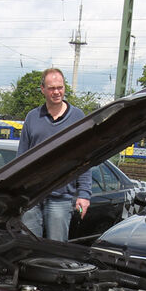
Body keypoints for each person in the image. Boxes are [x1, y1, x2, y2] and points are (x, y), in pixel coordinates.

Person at [18, 68, 92, 242]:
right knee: (28, 247)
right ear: (42, 89)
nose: (57, 92)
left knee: (56, 249)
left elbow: (85, 158)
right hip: (32, 198)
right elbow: (21, 158)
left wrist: (84, 194)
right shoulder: (32, 117)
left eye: (60, 87)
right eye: (51, 88)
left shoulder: (77, 117)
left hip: (61, 197)